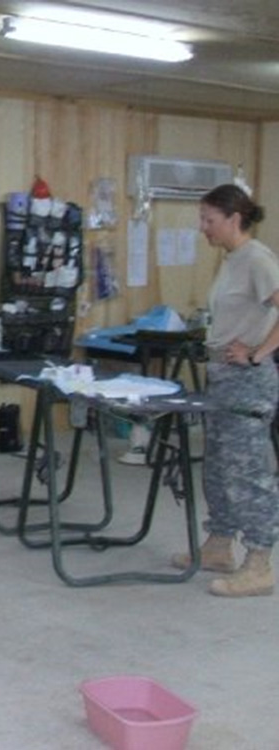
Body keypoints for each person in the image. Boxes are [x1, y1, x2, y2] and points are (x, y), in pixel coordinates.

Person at [170, 184, 279, 597]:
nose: (203, 228)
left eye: (208, 220)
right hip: (222, 378)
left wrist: (256, 353)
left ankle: (259, 563)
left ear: (234, 218)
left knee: (247, 473)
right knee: (218, 466)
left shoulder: (257, 259)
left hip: (248, 381)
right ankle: (218, 545)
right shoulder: (233, 259)